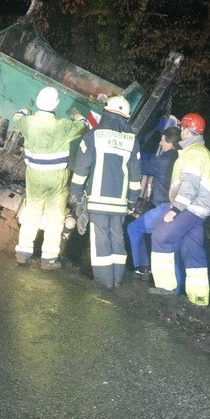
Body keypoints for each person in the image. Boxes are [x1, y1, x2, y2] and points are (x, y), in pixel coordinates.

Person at [11, 86, 88, 269]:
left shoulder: (28, 122)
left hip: (34, 176)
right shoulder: (63, 125)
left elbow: (17, 116)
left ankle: (22, 253)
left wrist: (26, 110)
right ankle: (48, 259)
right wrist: (77, 114)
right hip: (56, 180)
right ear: (56, 105)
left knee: (32, 212)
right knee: (55, 217)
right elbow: (84, 125)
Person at [69, 95, 142, 289]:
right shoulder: (132, 142)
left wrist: (75, 192)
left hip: (98, 201)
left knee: (100, 240)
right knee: (117, 239)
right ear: (126, 117)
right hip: (120, 204)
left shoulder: (94, 135)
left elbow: (81, 168)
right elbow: (136, 177)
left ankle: (104, 282)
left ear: (106, 112)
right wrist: (132, 201)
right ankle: (117, 280)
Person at [149, 112, 210, 306]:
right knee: (192, 249)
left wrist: (176, 209)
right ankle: (199, 300)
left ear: (189, 130)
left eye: (181, 128)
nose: (180, 131)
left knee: (160, 237)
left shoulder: (194, 153)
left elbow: (189, 185)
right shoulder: (204, 152)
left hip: (190, 208)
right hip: (200, 210)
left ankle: (166, 288)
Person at [126, 124, 181, 281]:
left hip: (164, 207)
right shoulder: (177, 157)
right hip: (177, 208)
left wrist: (134, 152)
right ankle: (174, 288)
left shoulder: (164, 159)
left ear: (170, 142)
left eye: (162, 141)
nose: (160, 143)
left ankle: (142, 268)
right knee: (172, 248)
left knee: (134, 228)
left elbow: (143, 166)